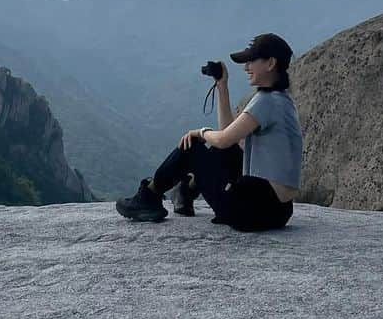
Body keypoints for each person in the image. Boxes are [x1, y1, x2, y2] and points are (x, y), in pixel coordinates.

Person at [115, 32, 302, 231]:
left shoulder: (266, 101)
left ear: (271, 63)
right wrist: (222, 86)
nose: (246, 67)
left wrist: (200, 132)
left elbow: (222, 138)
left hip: (252, 210)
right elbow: (228, 137)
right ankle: (188, 189)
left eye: (251, 61)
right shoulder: (281, 99)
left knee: (193, 147)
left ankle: (149, 196)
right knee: (225, 152)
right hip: (279, 211)